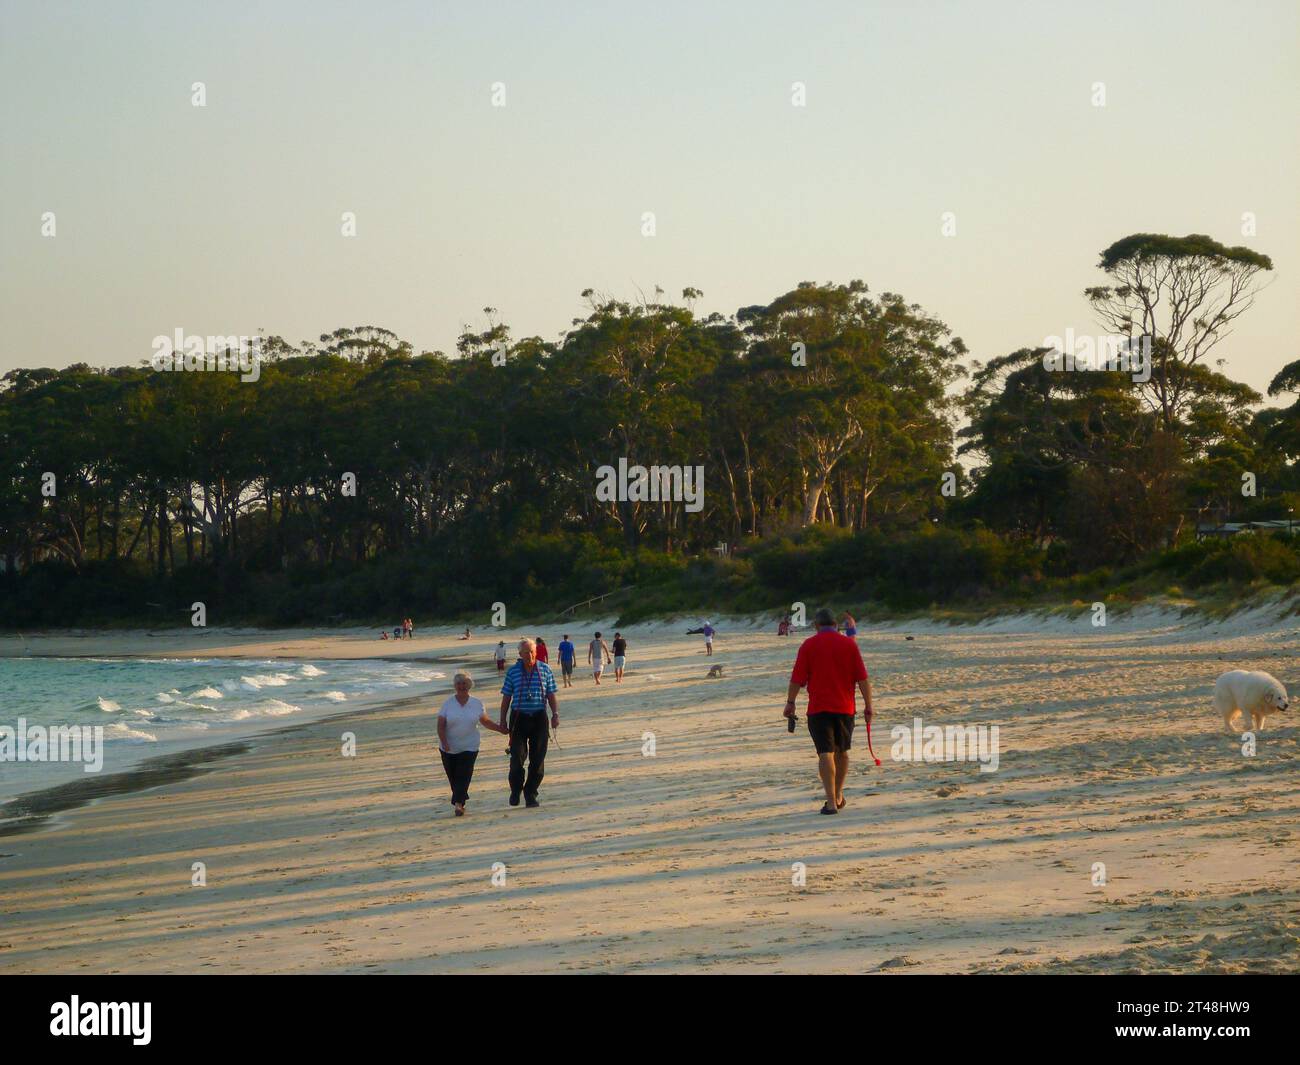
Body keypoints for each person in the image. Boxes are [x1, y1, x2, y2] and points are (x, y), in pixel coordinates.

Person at [784, 607, 873, 815]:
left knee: (825, 753)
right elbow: (862, 679)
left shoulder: (808, 645)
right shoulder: (849, 645)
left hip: (818, 708)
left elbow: (797, 679)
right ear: (836, 625)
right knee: (842, 752)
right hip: (845, 708)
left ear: (816, 626)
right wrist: (869, 705)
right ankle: (839, 794)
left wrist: (790, 702)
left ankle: (831, 802)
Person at [437, 672, 508, 816]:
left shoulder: (477, 703)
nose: (462, 686)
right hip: (448, 748)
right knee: (453, 777)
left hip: (470, 746)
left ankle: (458, 804)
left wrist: (500, 729)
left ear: (469, 685)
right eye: (459, 684)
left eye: (464, 683)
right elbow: (440, 725)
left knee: (464, 774)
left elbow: (485, 721)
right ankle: (460, 800)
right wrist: (444, 742)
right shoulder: (447, 703)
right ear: (455, 686)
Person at [499, 638, 559, 807]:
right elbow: (506, 698)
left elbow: (552, 695)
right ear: (520, 654)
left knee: (538, 759)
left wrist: (555, 714)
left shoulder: (545, 669)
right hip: (518, 717)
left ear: (536, 652)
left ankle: (530, 793)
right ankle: (516, 789)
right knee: (517, 757)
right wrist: (502, 720)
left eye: (532, 652)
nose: (529, 655)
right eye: (526, 652)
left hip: (539, 717)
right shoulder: (513, 672)